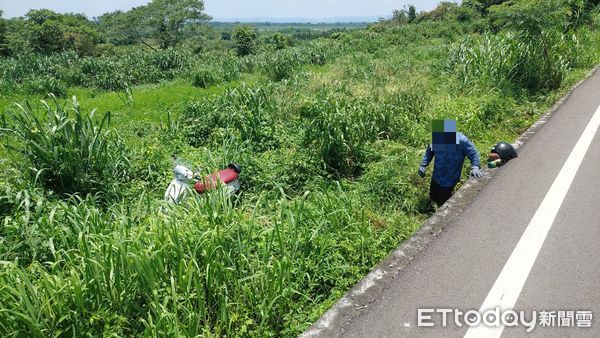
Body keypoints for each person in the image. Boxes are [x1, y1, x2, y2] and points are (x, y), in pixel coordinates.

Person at [418, 120, 483, 207]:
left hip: (450, 179)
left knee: (443, 203)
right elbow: (429, 151)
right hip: (436, 176)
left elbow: (474, 154)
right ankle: (430, 210)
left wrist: (475, 166)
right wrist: (423, 164)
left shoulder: (462, 141)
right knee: (433, 197)